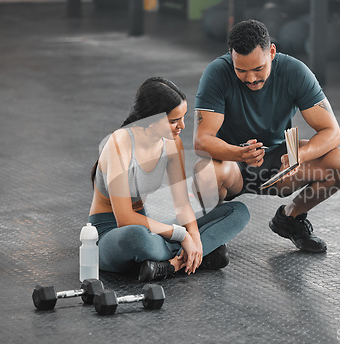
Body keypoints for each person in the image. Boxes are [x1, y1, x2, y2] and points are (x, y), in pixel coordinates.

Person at [193, 20, 340, 253]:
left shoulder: (295, 72)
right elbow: (201, 142)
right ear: (231, 57)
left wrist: (299, 154)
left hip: (281, 163)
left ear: (272, 52)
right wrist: (239, 153)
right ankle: (213, 236)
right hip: (232, 163)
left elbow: (332, 132)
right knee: (204, 172)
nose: (251, 79)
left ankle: (290, 219)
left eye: (258, 69)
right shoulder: (217, 73)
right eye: (241, 70)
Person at [88, 77, 249, 282]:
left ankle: (171, 264)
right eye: (174, 121)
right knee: (138, 238)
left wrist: (196, 240)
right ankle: (198, 256)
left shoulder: (172, 143)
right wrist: (182, 236)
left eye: (182, 118)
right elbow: (125, 219)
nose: (182, 125)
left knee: (237, 211)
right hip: (111, 234)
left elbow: (182, 204)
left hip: (149, 226)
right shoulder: (119, 144)